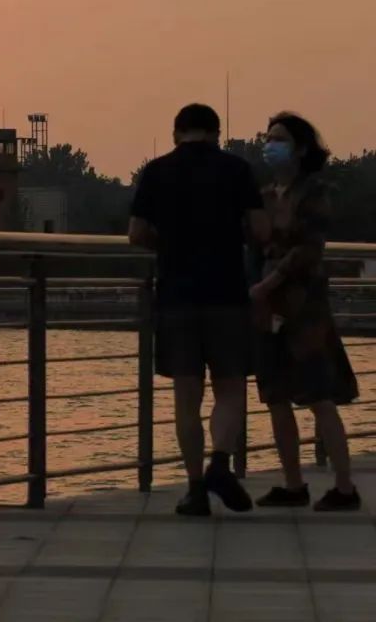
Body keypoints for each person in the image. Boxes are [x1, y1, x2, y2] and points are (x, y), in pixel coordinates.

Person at [129, 103, 268, 516]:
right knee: (230, 388)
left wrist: (168, 245)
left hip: (176, 297)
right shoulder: (237, 170)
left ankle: (194, 490)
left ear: (177, 133)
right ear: (216, 133)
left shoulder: (156, 171)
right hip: (227, 294)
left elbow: (136, 232)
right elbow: (261, 230)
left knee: (186, 397)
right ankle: (220, 463)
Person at [250, 112, 360, 511]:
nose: (270, 145)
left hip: (304, 306)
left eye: (279, 138)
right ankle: (292, 483)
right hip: (267, 308)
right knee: (275, 396)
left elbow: (308, 249)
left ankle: (344, 487)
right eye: (268, 138)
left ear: (300, 148)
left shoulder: (315, 192)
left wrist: (269, 283)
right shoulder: (263, 196)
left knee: (318, 396)